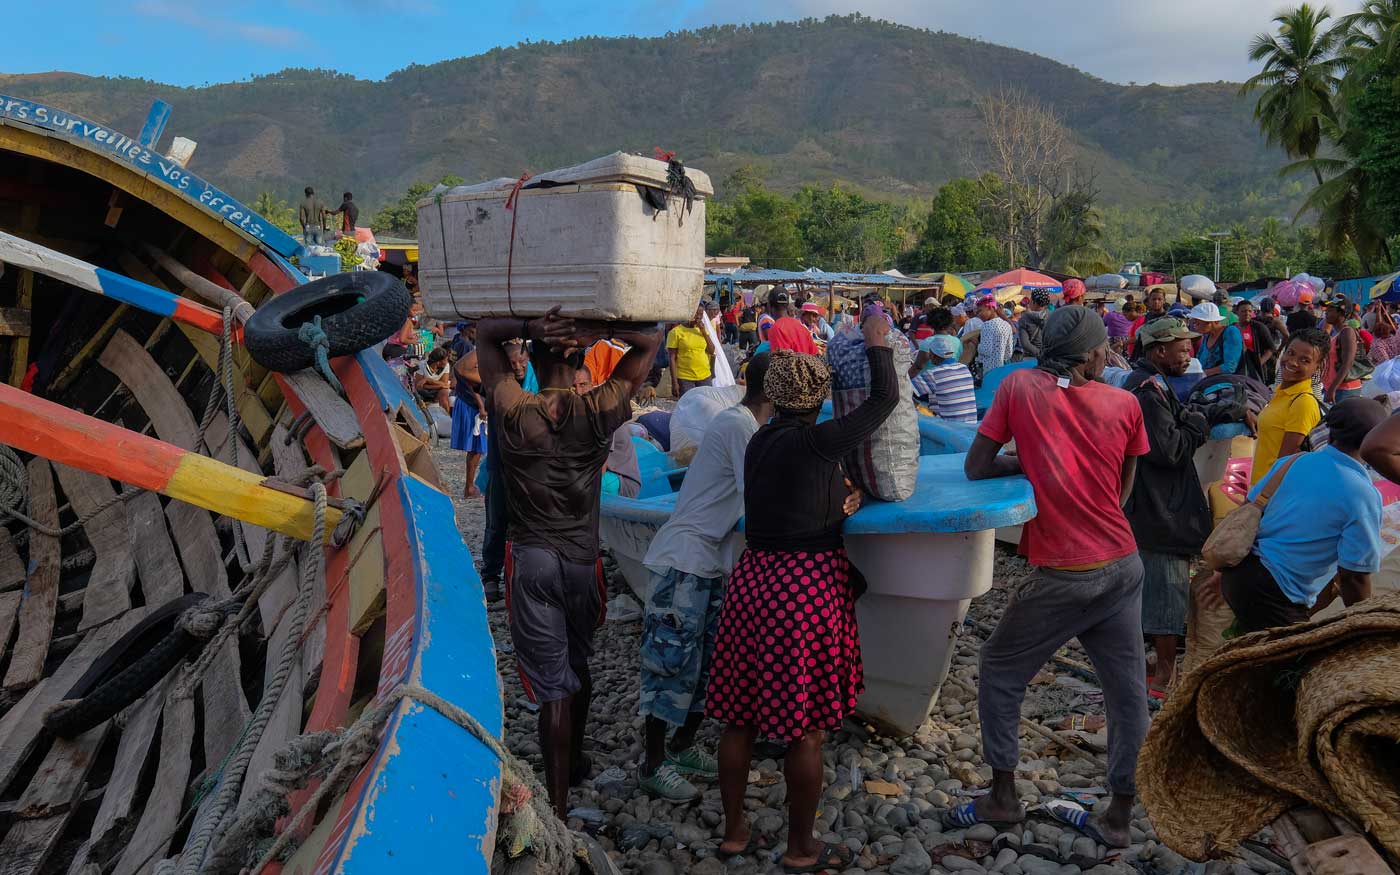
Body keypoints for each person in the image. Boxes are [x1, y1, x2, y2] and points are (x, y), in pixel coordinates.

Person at [709, 318, 896, 872]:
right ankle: (800, 846)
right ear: (820, 400)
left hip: (753, 581)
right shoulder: (817, 439)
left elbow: (795, 495)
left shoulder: (760, 441)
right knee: (805, 728)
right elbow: (885, 398)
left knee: (739, 718)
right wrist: (877, 339)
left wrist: (843, 492)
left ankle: (735, 832)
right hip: (805, 589)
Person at [960, 305, 1149, 848]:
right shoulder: (1125, 402)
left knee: (1000, 665)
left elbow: (975, 466)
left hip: (1067, 570)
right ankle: (1118, 815)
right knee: (1126, 692)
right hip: (1123, 562)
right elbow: (1123, 485)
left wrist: (1028, 463)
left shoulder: (1018, 387)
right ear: (1093, 354)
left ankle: (1001, 797)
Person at [477, 307, 660, 819]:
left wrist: (534, 328)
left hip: (531, 558)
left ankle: (557, 808)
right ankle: (574, 761)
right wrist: (599, 330)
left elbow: (487, 334)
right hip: (583, 561)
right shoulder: (599, 408)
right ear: (582, 358)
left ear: (531, 359)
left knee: (552, 686)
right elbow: (650, 336)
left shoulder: (515, 409)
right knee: (577, 666)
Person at [636, 354, 773, 802]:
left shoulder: (746, 426)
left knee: (705, 664)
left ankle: (681, 746)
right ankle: (651, 764)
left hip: (709, 562)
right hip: (687, 563)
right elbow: (760, 497)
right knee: (670, 662)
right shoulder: (739, 427)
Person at [1211, 398, 1386, 633]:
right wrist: (1364, 627)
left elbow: (1249, 509)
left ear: (1331, 431)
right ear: (1373, 442)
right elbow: (1353, 577)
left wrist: (1221, 568)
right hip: (1276, 590)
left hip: (1240, 572)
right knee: (1293, 667)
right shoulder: (1362, 494)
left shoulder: (1293, 461)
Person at [1122, 319, 1212, 696]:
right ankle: (1164, 678)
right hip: (1161, 508)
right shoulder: (1147, 392)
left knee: (1155, 588)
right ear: (1159, 351)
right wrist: (1198, 423)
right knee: (1166, 592)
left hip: (1155, 503)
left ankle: (1153, 667)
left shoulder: (1153, 384)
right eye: (1182, 348)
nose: (1189, 354)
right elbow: (1170, 450)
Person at [480, 339, 530, 600]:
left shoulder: (538, 384)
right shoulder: (495, 387)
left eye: (523, 361)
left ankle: (521, 577)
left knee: (526, 523)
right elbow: (463, 368)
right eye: (512, 363)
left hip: (530, 467)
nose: (519, 367)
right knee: (497, 522)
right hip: (501, 464)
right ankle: (490, 576)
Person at [1251, 329, 1328, 486]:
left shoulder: (1303, 403)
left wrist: (1256, 502)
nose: (1292, 362)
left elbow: (1283, 465)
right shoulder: (1282, 393)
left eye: (1305, 360)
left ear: (1317, 367)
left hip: (1272, 493)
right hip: (1260, 485)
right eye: (1290, 353)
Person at [912, 334, 977, 423]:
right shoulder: (964, 368)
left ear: (934, 356)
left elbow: (907, 390)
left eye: (930, 354)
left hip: (949, 427)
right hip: (970, 424)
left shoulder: (933, 373)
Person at [449, 345, 487, 498]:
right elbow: (472, 383)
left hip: (469, 402)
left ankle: (470, 486)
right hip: (472, 405)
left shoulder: (475, 353)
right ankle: (469, 487)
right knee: (476, 447)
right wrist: (481, 406)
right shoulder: (479, 355)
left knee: (477, 448)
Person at [667, 304, 716, 398]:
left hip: (705, 376)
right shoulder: (676, 332)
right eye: (695, 314)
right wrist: (674, 382)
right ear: (688, 314)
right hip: (685, 378)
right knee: (689, 407)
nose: (698, 317)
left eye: (701, 314)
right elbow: (672, 358)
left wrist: (703, 332)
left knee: (706, 405)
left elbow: (711, 351)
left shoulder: (702, 331)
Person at [1323, 296, 1364, 402]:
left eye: (1330, 309)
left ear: (1342, 313)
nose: (1326, 312)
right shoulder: (1337, 333)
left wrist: (1332, 389)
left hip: (1344, 390)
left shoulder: (1347, 332)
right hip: (1336, 388)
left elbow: (1348, 363)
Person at [1189, 302, 1243, 376]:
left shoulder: (1230, 332)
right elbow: (1199, 359)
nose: (1196, 327)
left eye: (1198, 323)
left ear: (1209, 322)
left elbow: (1230, 367)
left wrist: (1203, 374)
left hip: (1223, 383)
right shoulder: (1207, 336)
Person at [1234, 299, 1279, 383]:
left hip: (1253, 371)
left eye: (1249, 311)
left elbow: (1271, 348)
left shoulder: (1259, 327)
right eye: (1243, 311)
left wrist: (1259, 363)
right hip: (1236, 368)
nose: (1247, 313)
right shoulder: (1232, 328)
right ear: (1237, 312)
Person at [974, 295, 1015, 376]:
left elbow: (986, 350)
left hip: (988, 371)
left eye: (980, 311)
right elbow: (1008, 353)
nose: (978, 315)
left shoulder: (987, 325)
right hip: (1002, 370)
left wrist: (975, 343)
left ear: (990, 308)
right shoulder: (1007, 325)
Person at [415, 347, 454, 412]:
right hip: (423, 391)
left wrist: (428, 380)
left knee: (444, 393)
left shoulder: (446, 366)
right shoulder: (422, 365)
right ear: (438, 362)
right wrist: (440, 385)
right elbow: (418, 386)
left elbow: (445, 384)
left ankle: (447, 416)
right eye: (446, 360)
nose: (447, 362)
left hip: (436, 390)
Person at [1017, 289, 1050, 358]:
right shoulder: (1051, 316)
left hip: (1031, 358)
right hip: (1048, 358)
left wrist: (1039, 354)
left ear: (1033, 301)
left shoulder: (1025, 318)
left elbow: (1025, 344)